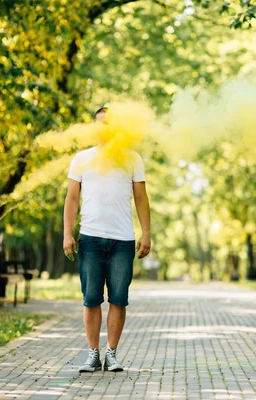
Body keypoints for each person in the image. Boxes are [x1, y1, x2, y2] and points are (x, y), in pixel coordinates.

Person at [63, 104, 151, 373]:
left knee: (118, 299)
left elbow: (141, 197)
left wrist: (146, 232)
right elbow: (72, 199)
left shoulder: (132, 159)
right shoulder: (81, 158)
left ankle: (111, 354)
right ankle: (93, 354)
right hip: (89, 238)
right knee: (91, 299)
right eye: (100, 123)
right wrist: (67, 234)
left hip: (122, 241)